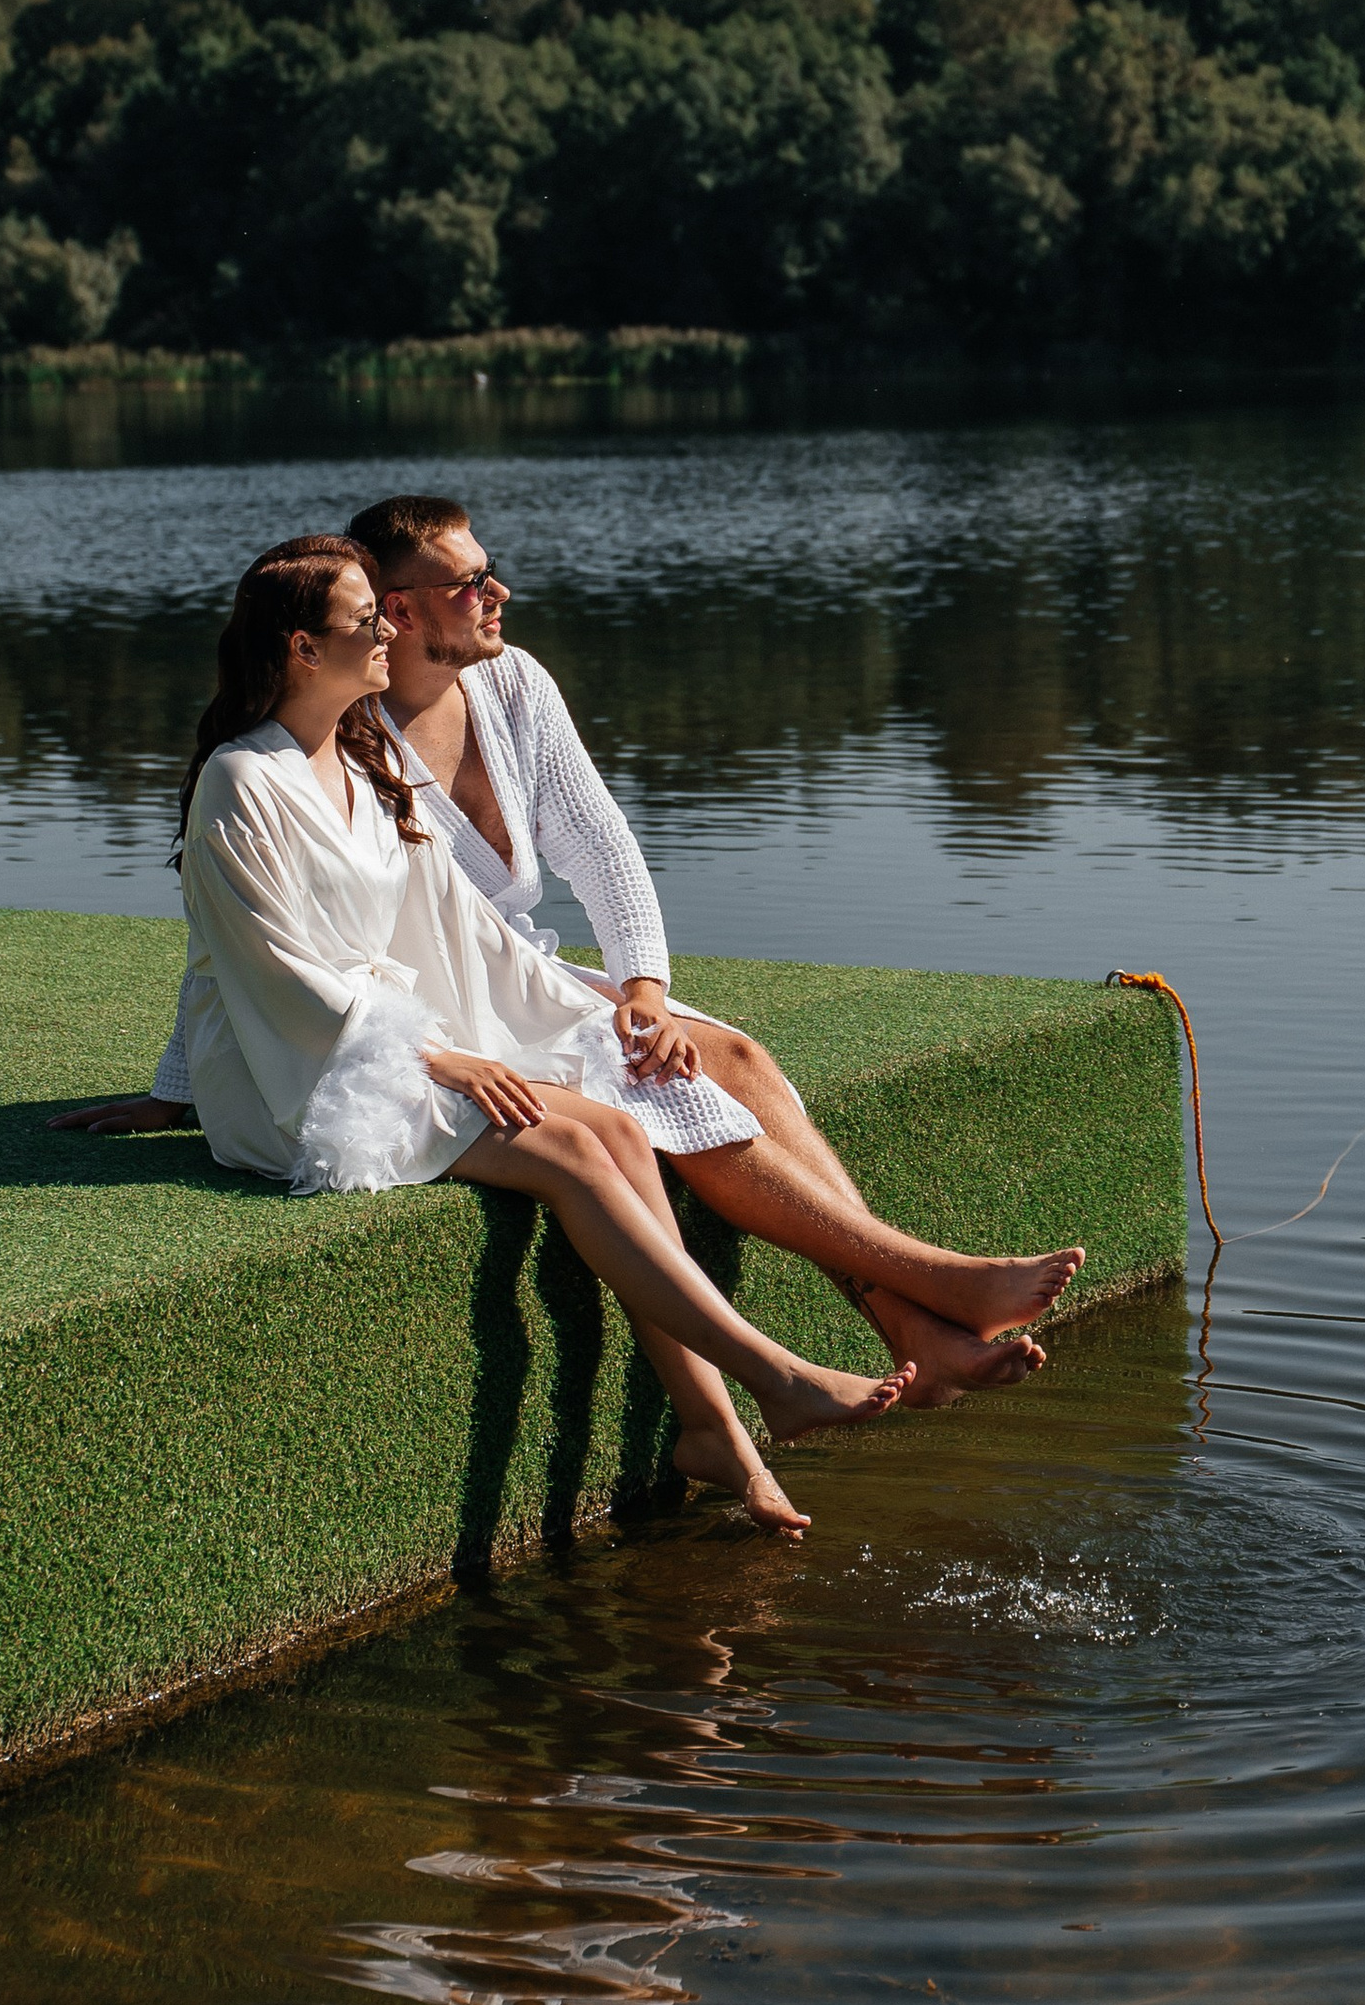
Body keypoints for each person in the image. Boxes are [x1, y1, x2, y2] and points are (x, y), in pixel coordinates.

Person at [61, 492, 1084, 1404]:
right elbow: (250, 931)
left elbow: (601, 844)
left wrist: (642, 987)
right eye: (468, 583)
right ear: (398, 610)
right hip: (441, 1012)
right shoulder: (340, 728)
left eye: (489, 573)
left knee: (733, 1054)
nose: (497, 593)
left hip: (509, 975)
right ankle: (926, 1290)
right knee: (674, 1081)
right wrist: (182, 1083)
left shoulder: (512, 686)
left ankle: (911, 1322)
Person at [167, 533, 919, 1537]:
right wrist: (434, 1055)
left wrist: (594, 1012)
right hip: (299, 1078)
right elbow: (272, 970)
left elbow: (456, 930)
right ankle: (776, 1375)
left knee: (615, 1126)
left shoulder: (361, 756)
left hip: (410, 1038)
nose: (387, 632)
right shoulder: (240, 780)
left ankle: (715, 1433)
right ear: (303, 648)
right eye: (367, 620)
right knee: (570, 1151)